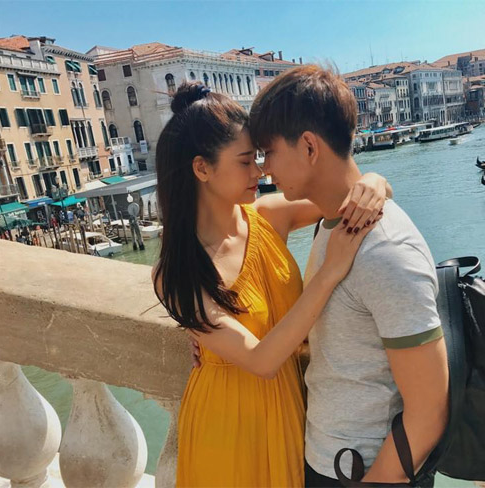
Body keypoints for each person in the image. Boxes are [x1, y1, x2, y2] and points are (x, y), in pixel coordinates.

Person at [152, 82, 391, 487]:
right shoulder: (176, 272)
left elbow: (346, 193)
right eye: (245, 161)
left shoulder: (267, 216)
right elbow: (262, 361)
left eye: (259, 158)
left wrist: (375, 180)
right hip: (225, 428)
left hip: (292, 409)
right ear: (202, 169)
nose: (259, 171)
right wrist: (330, 271)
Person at [249, 65, 450, 486]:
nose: (265, 168)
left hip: (365, 472)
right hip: (328, 460)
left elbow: (429, 410)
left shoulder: (386, 251)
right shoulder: (332, 223)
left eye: (269, 151)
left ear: (309, 146)